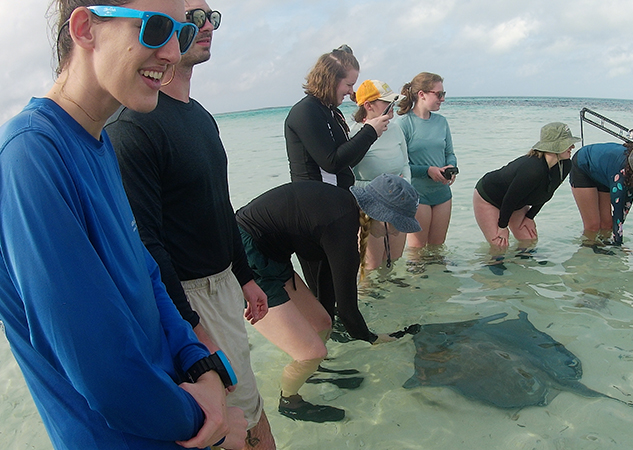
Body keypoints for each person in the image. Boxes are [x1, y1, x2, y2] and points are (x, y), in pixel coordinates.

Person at [0, 1, 247, 449]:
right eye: (155, 29)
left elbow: (147, 275)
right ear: (85, 29)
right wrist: (209, 421)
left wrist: (199, 363)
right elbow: (104, 372)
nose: (172, 52)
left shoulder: (99, 142)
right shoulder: (30, 156)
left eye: (181, 34)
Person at [104, 1, 275, 448]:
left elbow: (220, 204)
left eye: (209, 17)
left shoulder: (199, 115)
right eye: (191, 18)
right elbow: (147, 243)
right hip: (190, 297)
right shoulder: (133, 127)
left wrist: (245, 275)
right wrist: (193, 329)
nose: (204, 27)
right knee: (237, 421)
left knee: (248, 410)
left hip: (223, 285)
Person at [236, 174, 420, 423]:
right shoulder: (342, 226)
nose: (397, 231)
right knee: (311, 353)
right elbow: (347, 309)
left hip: (271, 256)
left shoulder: (344, 210)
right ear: (380, 214)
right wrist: (374, 339)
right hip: (245, 258)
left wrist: (337, 318)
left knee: (322, 323)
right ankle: (289, 401)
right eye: (397, 223)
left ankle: (312, 372)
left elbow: (324, 274)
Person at [285, 45, 390, 189]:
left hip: (337, 197)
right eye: (349, 84)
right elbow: (331, 163)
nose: (351, 91)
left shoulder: (332, 111)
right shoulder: (306, 111)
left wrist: (372, 132)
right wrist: (369, 131)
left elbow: (348, 161)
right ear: (331, 80)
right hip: (315, 200)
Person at [473, 122, 577, 256]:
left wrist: (529, 217)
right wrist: (502, 227)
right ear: (554, 146)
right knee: (500, 245)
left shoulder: (565, 165)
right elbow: (510, 198)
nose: (573, 146)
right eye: (568, 143)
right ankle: (494, 271)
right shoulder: (533, 169)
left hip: (515, 203)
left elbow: (547, 192)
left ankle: (521, 270)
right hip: (489, 197)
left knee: (529, 239)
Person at [350, 80, 412, 271]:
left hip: (398, 202)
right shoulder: (355, 133)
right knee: (371, 265)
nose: (392, 106)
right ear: (368, 106)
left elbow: (405, 164)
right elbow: (348, 176)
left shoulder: (395, 128)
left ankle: (391, 300)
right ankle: (367, 298)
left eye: (393, 102)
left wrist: (405, 187)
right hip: (369, 203)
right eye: (387, 103)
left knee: (394, 260)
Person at [397, 72, 457, 248]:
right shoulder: (404, 124)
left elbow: (450, 152)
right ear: (421, 94)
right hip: (417, 194)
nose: (442, 99)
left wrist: (452, 166)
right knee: (417, 252)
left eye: (443, 94)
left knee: (437, 250)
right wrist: (427, 170)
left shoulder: (442, 122)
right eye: (439, 94)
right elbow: (400, 164)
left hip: (443, 193)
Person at [570, 143, 633, 246]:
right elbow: (618, 210)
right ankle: (587, 251)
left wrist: (615, 240)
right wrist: (619, 246)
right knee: (593, 226)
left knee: (607, 224)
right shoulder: (621, 175)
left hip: (604, 172)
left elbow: (626, 205)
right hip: (583, 166)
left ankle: (603, 246)